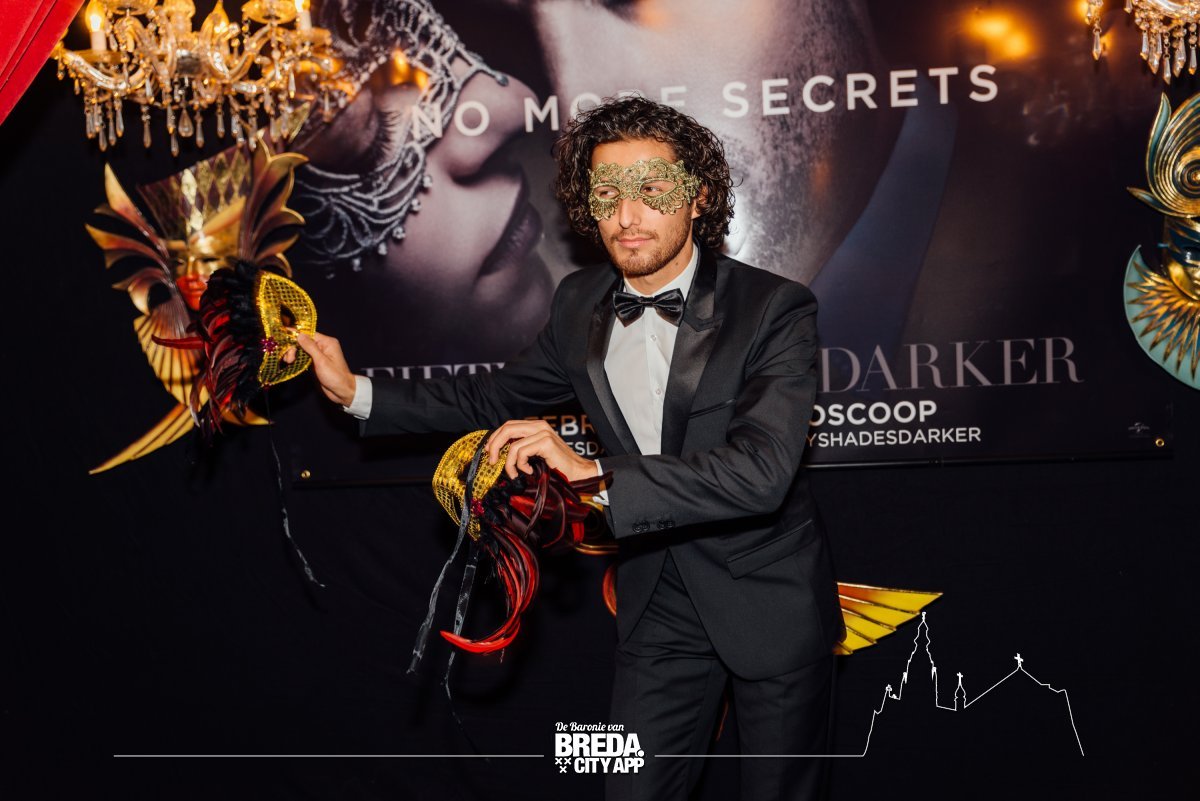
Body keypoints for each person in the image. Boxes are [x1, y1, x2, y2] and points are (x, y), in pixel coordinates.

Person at [297, 96, 841, 801]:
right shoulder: (579, 303)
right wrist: (357, 393)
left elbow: (761, 472)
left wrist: (594, 474)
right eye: (607, 193)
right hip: (657, 602)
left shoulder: (775, 307)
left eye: (653, 190)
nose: (627, 215)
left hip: (767, 601)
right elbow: (492, 399)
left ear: (698, 196)